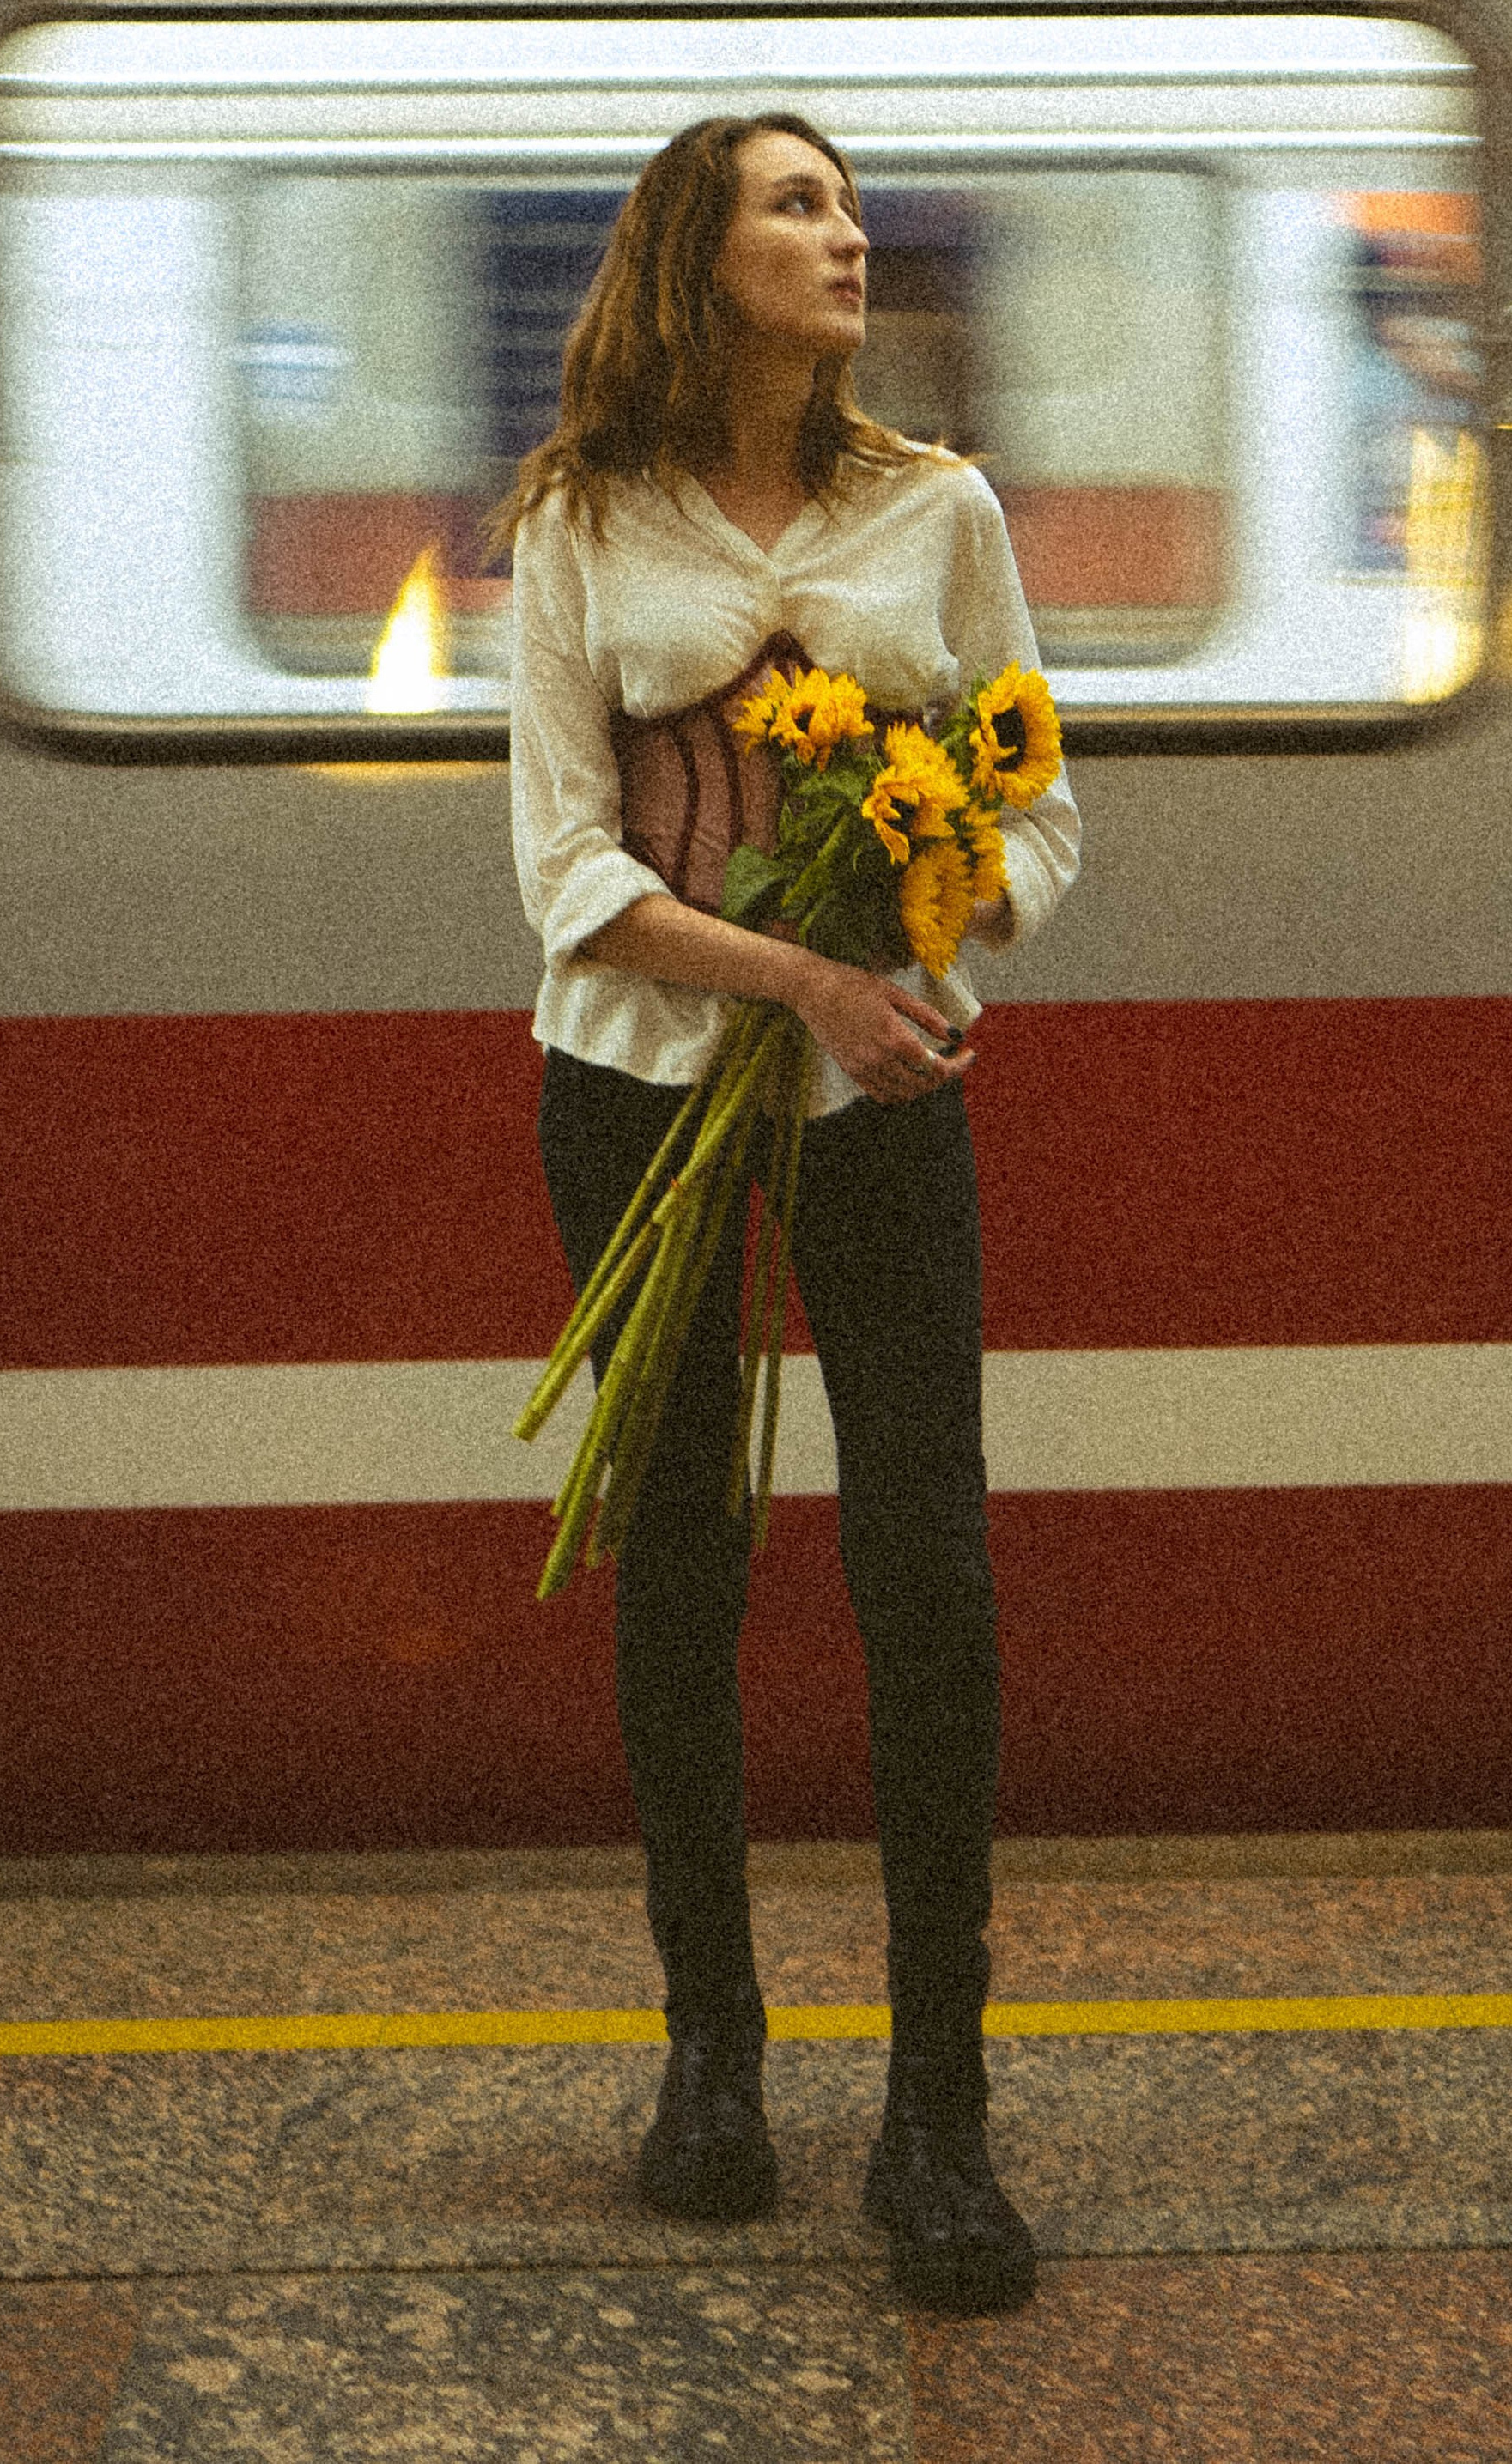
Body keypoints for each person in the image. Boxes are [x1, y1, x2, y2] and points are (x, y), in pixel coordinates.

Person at [497, 111, 1082, 2316]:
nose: (843, 237)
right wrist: (802, 970)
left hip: (877, 1099)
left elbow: (1041, 815)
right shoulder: (578, 519)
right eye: (794, 206)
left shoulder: (939, 511)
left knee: (922, 1549)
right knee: (683, 1550)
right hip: (632, 1089)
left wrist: (942, 893)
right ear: (693, 253)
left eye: (844, 208)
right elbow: (568, 877)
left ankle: (938, 2106)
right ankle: (712, 2059)